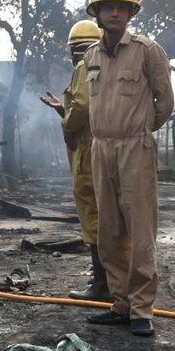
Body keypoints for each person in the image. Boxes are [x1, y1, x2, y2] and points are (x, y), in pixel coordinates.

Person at [82, 0, 173, 338]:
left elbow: (165, 102)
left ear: (132, 12)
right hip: (100, 147)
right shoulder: (90, 54)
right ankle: (119, 304)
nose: (115, 13)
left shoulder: (147, 51)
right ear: (98, 12)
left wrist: (140, 134)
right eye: (108, 7)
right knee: (109, 230)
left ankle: (141, 309)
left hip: (135, 146)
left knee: (140, 229)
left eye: (122, 7)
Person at [39, 19, 110, 301]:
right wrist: (63, 109)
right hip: (107, 147)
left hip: (88, 150)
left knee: (93, 215)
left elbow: (81, 108)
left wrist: (66, 121)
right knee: (109, 214)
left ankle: (101, 286)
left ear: (74, 50)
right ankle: (112, 279)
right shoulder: (109, 66)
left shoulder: (84, 67)